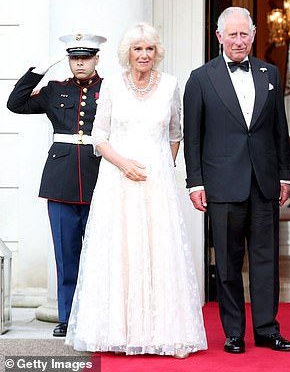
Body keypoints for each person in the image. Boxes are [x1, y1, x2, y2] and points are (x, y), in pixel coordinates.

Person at [65, 23, 207, 358]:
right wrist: (124, 163)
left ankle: (166, 335)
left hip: (156, 184)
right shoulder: (112, 85)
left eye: (149, 49)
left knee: (159, 252)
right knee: (121, 251)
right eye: (137, 49)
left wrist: (162, 166)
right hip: (118, 180)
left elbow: (175, 134)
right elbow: (99, 137)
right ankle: (116, 331)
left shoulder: (171, 85)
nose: (144, 55)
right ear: (126, 53)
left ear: (157, 52)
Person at [183, 7, 290, 354]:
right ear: (219, 37)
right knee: (228, 264)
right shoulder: (200, 78)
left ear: (253, 35)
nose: (238, 40)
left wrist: (284, 175)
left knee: (266, 261)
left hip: (263, 183)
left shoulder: (269, 73)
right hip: (221, 184)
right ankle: (234, 332)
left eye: (244, 34)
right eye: (232, 34)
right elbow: (193, 136)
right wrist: (195, 182)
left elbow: (279, 129)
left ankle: (266, 329)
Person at [7, 33, 106, 337]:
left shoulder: (111, 90)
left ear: (96, 59)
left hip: (101, 178)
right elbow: (16, 103)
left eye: (85, 57)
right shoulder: (54, 90)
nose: (79, 62)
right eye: (74, 57)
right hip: (61, 181)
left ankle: (97, 316)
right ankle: (67, 316)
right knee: (66, 254)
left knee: (101, 254)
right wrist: (40, 69)